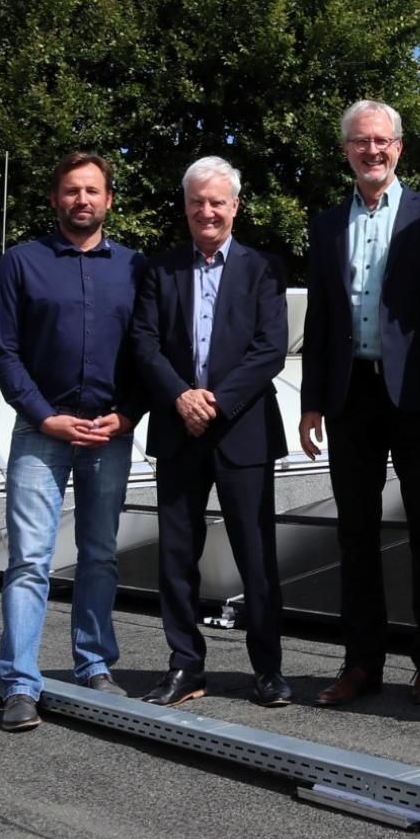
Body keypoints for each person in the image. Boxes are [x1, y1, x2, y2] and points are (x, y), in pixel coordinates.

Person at [298, 100, 420, 706]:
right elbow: (319, 320)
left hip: (417, 398)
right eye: (361, 142)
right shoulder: (326, 224)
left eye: (383, 141)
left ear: (399, 148)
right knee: (355, 533)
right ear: (346, 150)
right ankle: (362, 663)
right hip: (348, 395)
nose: (373, 151)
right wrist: (313, 400)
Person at [0, 152, 145, 731]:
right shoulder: (21, 264)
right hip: (41, 430)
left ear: (108, 200)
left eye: (93, 191)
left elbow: (146, 352)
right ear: (56, 199)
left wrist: (127, 415)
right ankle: (20, 684)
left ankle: (94, 662)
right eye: (72, 191)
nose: (83, 200)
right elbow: (1, 350)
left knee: (100, 554)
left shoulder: (134, 268)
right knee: (29, 560)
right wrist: (42, 414)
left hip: (109, 432)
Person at [130, 157, 291, 707]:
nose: (207, 211)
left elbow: (270, 349)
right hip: (178, 429)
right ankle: (185, 666)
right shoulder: (159, 269)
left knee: (256, 554)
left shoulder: (264, 268)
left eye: (217, 201)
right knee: (176, 555)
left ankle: (267, 669)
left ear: (235, 207)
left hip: (242, 430)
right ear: (186, 206)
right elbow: (144, 343)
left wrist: (216, 403)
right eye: (197, 201)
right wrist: (180, 396)